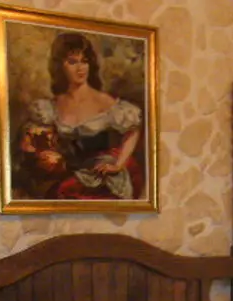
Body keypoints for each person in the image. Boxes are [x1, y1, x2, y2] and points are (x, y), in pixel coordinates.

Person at [15, 32, 144, 200]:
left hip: (102, 179)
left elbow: (133, 129)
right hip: (69, 176)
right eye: (72, 62)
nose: (80, 68)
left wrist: (118, 165)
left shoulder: (104, 101)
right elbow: (34, 141)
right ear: (60, 66)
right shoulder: (50, 107)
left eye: (84, 61)